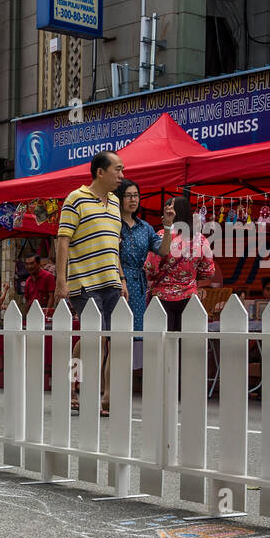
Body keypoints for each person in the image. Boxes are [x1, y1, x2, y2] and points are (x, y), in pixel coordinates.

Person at [55, 150, 126, 415]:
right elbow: (63, 240)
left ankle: (72, 384)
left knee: (100, 340)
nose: (122, 175)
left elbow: (113, 245)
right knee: (94, 340)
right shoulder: (76, 199)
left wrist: (121, 278)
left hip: (111, 282)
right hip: (84, 282)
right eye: (117, 169)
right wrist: (61, 281)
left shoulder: (115, 203)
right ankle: (87, 394)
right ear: (100, 172)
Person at [146, 196, 216, 332]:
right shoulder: (201, 240)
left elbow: (150, 268)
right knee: (186, 346)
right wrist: (191, 276)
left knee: (164, 344)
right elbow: (209, 272)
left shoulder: (161, 236)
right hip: (189, 297)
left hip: (162, 297)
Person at [116, 179, 173, 331]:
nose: (133, 199)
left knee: (134, 331)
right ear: (119, 198)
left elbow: (163, 250)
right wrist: (122, 279)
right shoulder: (112, 223)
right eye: (128, 195)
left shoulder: (144, 227)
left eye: (136, 195)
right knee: (112, 331)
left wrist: (167, 226)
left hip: (137, 282)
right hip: (115, 280)